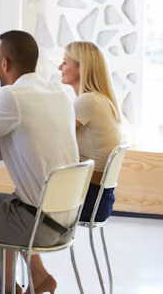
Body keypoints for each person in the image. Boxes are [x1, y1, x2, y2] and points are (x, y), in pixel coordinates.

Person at [0, 31, 79, 294]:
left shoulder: (12, 97)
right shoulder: (60, 93)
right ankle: (23, 282)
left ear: (4, 63)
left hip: (37, 223)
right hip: (65, 220)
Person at [59, 41, 122, 223]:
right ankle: (32, 251)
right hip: (99, 199)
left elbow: (54, 137)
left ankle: (31, 249)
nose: (59, 67)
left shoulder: (88, 101)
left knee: (20, 204)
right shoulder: (101, 100)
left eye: (65, 62)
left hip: (89, 200)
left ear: (81, 68)